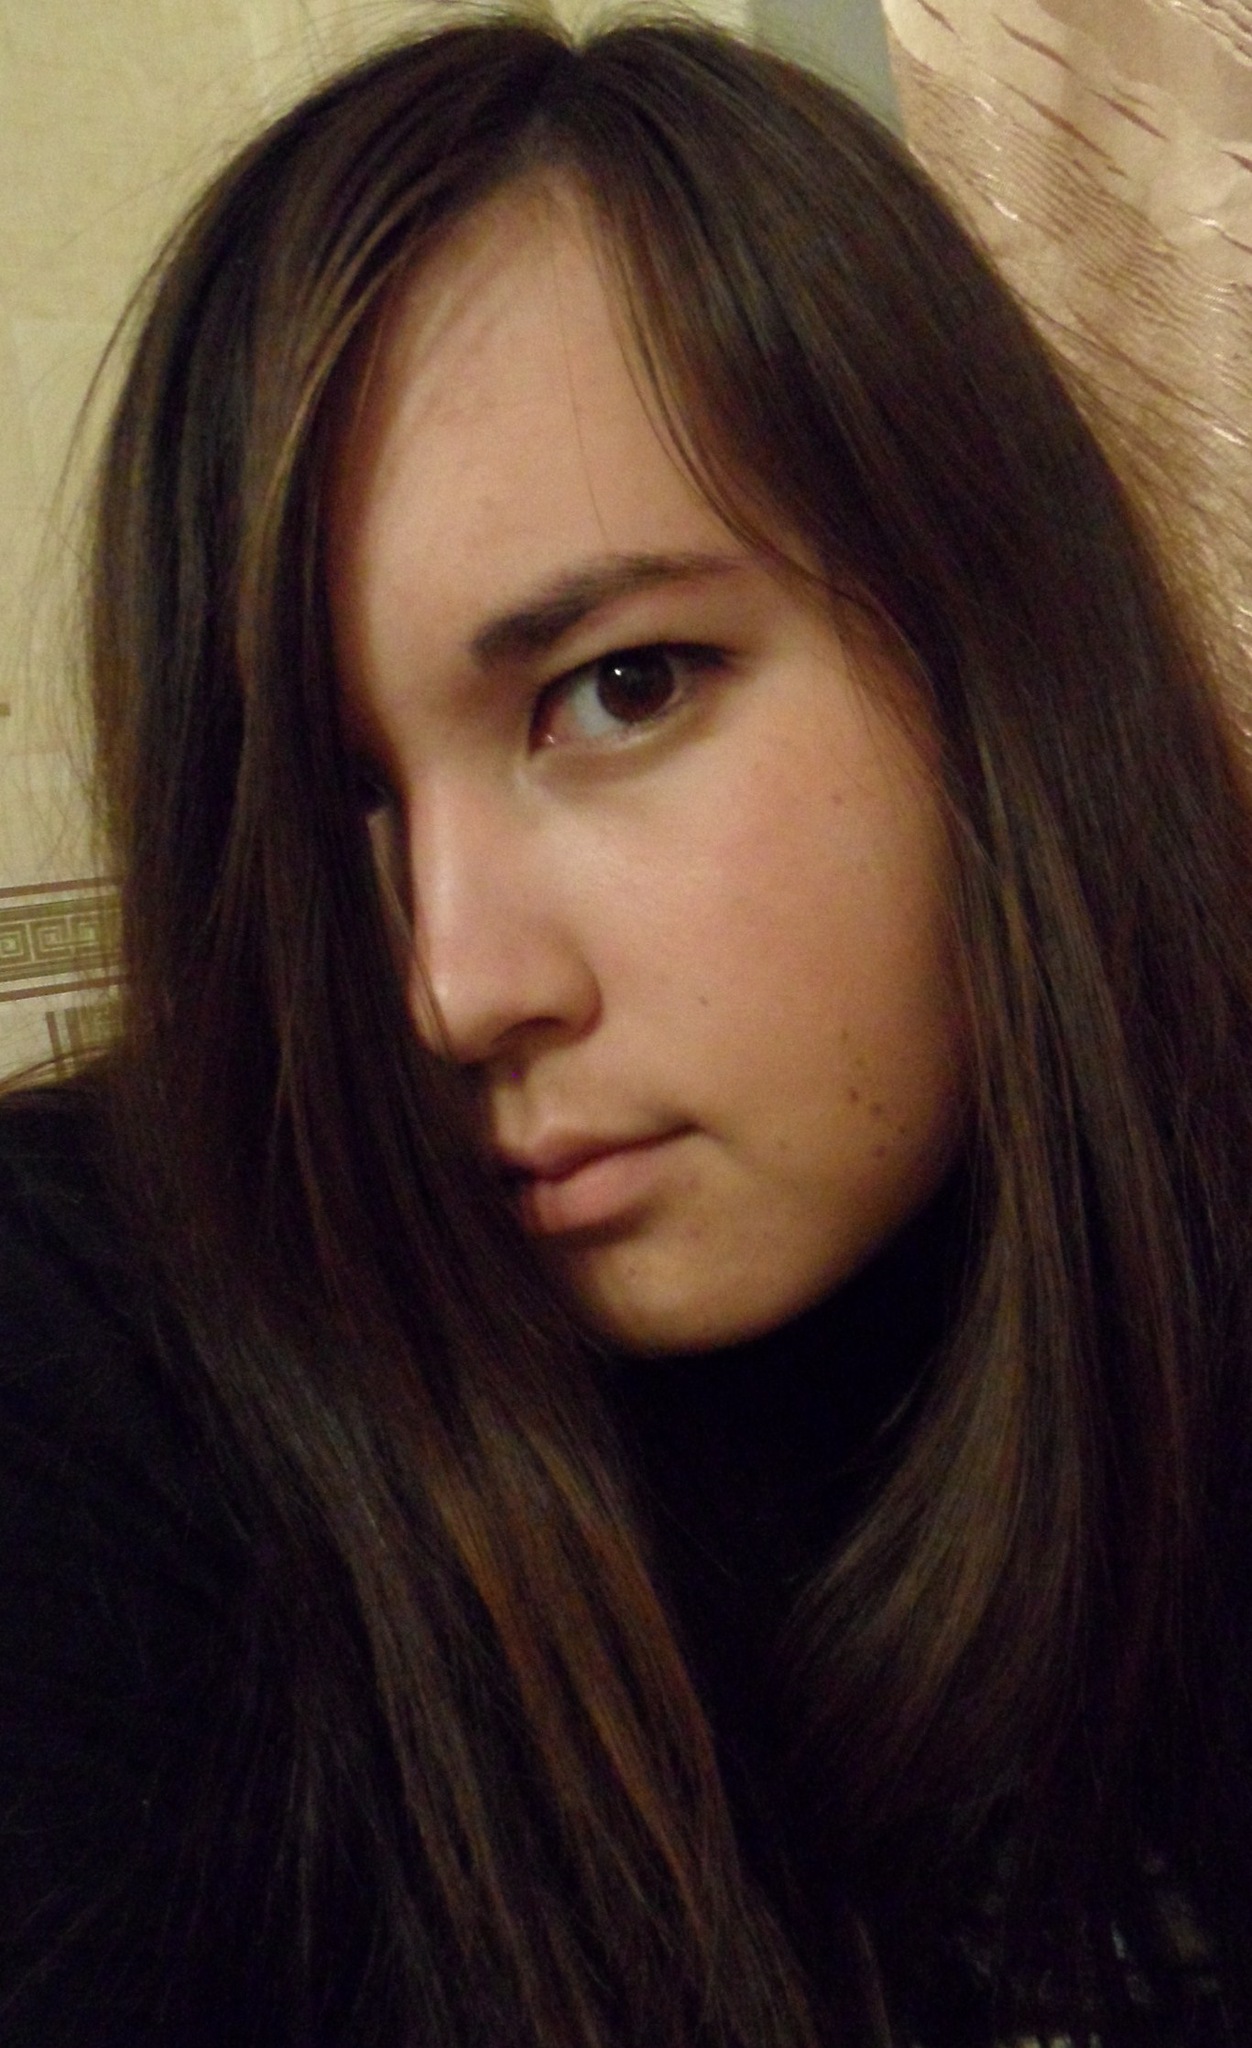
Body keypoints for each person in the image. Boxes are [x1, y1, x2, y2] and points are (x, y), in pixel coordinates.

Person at [2, 14, 1250, 2046]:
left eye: (621, 686)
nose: (453, 985)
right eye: (325, 806)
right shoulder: (92, 1377)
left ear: (995, 657)